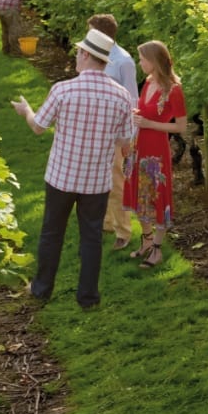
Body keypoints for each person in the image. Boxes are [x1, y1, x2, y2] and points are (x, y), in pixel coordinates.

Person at [10, 29, 138, 309]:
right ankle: (88, 297)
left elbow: (38, 127)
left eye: (79, 52)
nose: (76, 56)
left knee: (51, 233)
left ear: (86, 55)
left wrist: (26, 110)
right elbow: (125, 140)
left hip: (61, 177)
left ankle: (42, 289)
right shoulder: (121, 97)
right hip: (97, 181)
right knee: (91, 238)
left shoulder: (63, 89)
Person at [123, 41, 191, 269]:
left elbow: (181, 126)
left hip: (156, 150)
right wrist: (138, 113)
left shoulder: (174, 90)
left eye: (142, 59)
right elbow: (146, 109)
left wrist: (150, 122)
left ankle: (158, 250)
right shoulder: (149, 82)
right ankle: (146, 241)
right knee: (139, 192)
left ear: (153, 61)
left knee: (156, 196)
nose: (139, 63)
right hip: (139, 145)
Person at [89, 15, 142, 251]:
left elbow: (132, 99)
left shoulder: (123, 62)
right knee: (100, 176)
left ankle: (124, 230)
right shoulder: (95, 57)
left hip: (115, 131)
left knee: (116, 180)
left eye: (89, 32)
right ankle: (107, 221)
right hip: (97, 127)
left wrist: (130, 136)